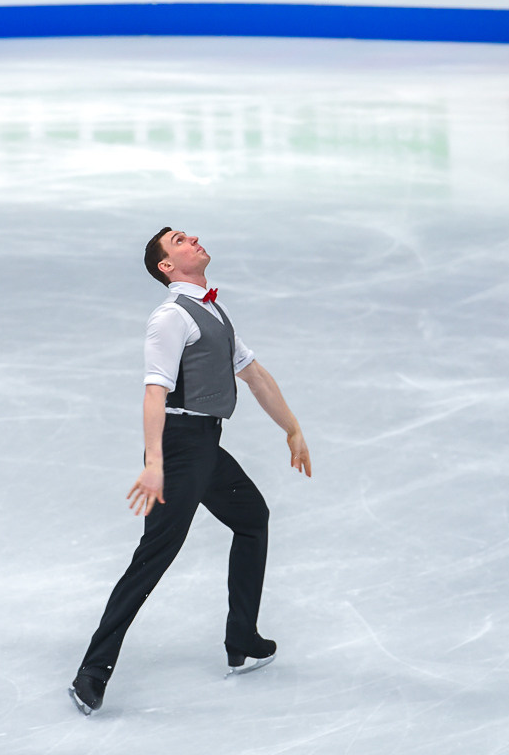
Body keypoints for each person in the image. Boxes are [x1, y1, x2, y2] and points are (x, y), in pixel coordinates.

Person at [69, 228, 312, 715]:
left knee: (251, 518)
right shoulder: (170, 317)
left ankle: (241, 641)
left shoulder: (213, 310)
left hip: (206, 446)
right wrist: (155, 463)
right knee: (153, 558)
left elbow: (255, 374)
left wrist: (292, 428)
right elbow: (154, 392)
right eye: (179, 240)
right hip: (179, 450)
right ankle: (91, 673)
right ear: (166, 266)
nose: (193, 239)